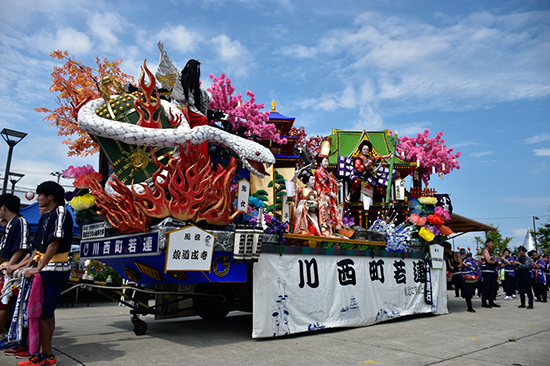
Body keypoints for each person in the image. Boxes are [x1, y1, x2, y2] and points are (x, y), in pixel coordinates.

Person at [18, 181, 73, 366]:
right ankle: (43, 352)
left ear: (51, 197)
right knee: (45, 312)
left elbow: (54, 243)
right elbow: (37, 248)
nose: (38, 197)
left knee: (42, 312)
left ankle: (47, 356)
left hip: (55, 269)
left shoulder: (60, 212)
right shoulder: (48, 216)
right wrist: (24, 266)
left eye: (40, 194)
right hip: (46, 269)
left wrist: (37, 268)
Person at [0, 194, 30, 350]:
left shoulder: (20, 221)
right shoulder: (10, 224)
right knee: (6, 304)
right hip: (7, 267)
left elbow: (22, 247)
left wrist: (10, 266)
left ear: (3, 207)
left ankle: (10, 337)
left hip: (14, 271)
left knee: (8, 304)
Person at [345, 140, 392, 212]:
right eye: (364, 149)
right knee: (357, 181)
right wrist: (366, 165)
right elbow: (359, 169)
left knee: (376, 186)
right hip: (358, 175)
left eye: (367, 149)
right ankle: (350, 195)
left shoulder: (371, 158)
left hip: (368, 177)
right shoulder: (358, 158)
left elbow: (379, 158)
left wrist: (388, 156)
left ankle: (389, 198)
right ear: (361, 150)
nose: (365, 151)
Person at [314, 140, 343, 237]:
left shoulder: (326, 173)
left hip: (327, 195)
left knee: (329, 211)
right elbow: (322, 184)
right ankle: (323, 229)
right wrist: (331, 193)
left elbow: (332, 181)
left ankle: (330, 229)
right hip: (321, 194)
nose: (327, 163)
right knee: (324, 209)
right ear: (320, 162)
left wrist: (337, 185)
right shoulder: (318, 172)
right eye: (325, 161)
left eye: (327, 161)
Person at [443, 242, 475, 313]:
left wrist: (453, 267)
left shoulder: (456, 254)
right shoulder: (444, 255)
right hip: (449, 275)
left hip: (457, 274)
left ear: (447, 248)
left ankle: (470, 307)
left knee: (466, 290)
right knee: (442, 289)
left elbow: (461, 265)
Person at [291, 169, 321, 236]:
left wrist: (316, 205)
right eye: (312, 180)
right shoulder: (301, 189)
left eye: (314, 180)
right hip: (302, 213)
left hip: (312, 214)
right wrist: (295, 175)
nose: (314, 181)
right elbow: (292, 183)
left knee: (313, 229)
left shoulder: (316, 192)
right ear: (307, 181)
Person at [480, 239, 500, 308]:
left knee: (492, 287)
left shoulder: (491, 252)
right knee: (486, 287)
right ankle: (484, 302)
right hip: (487, 271)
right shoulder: (485, 251)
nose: (492, 245)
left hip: (492, 270)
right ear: (487, 243)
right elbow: (488, 261)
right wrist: (497, 263)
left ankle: (491, 301)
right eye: (491, 243)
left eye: (493, 243)